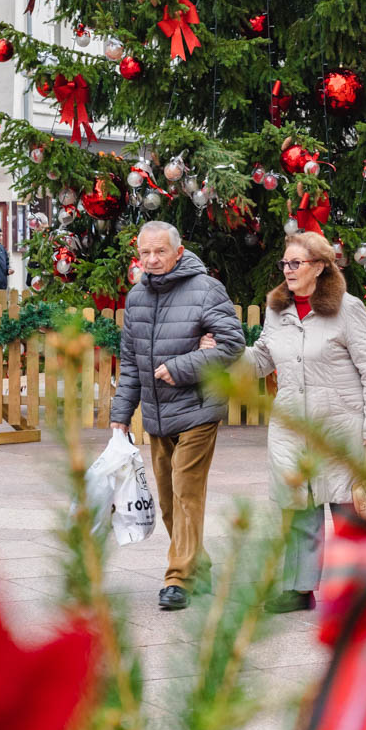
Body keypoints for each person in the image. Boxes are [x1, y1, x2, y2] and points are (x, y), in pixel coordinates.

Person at [218, 232, 366, 614]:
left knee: (350, 510)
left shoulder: (348, 309)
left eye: (296, 263)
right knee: (298, 505)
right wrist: (226, 353)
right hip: (293, 426)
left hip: (341, 425)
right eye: (285, 263)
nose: (288, 270)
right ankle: (298, 589)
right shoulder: (277, 310)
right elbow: (263, 359)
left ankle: (360, 590)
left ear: (320, 267)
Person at [109, 222, 245, 612]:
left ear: (178, 252)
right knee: (169, 500)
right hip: (157, 413)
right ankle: (198, 566)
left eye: (160, 252)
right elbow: (132, 363)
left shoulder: (206, 289)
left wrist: (182, 367)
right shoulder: (136, 297)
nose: (152, 260)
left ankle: (178, 578)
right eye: (146, 254)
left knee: (186, 491)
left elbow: (233, 343)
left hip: (198, 408)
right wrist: (122, 414)